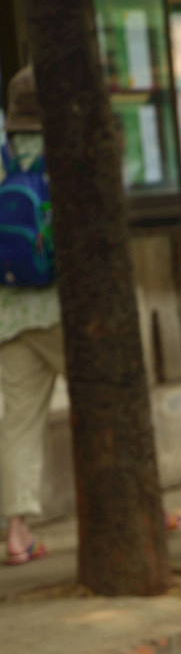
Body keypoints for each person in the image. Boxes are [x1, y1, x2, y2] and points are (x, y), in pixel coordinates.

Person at [0, 65, 60, 564]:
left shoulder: (2, 158)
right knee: (106, 405)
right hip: (67, 312)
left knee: (19, 421)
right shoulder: (66, 151)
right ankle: (143, 507)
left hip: (11, 311)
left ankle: (17, 534)